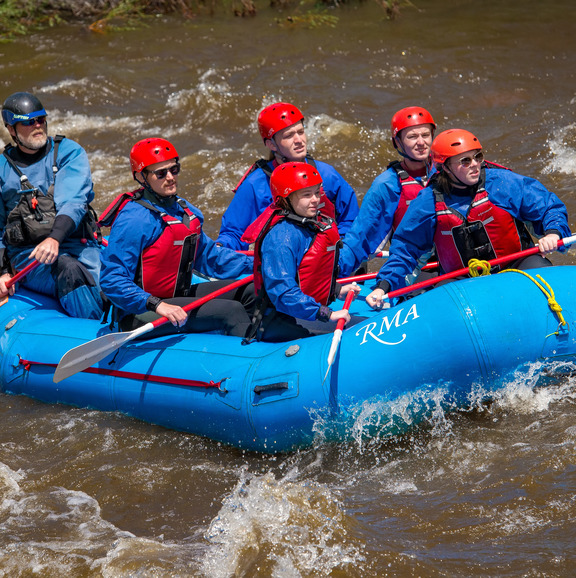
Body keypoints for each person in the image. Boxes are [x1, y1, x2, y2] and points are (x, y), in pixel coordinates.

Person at [366, 128, 571, 310]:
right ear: (445, 167)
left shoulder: (502, 184)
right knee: (430, 300)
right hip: (462, 279)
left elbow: (548, 207)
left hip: (517, 265)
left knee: (542, 271)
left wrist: (553, 232)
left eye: (477, 157)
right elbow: (406, 249)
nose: (474, 165)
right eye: (465, 161)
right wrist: (383, 286)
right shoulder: (428, 202)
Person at [99, 137, 255, 338]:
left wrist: (258, 263)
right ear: (141, 176)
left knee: (252, 290)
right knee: (230, 311)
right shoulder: (134, 220)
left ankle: (260, 341)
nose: (170, 177)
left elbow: (211, 259)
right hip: (142, 310)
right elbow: (112, 279)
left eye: (174, 169)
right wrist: (157, 304)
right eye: (160, 173)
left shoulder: (183, 211)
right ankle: (245, 359)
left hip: (177, 298)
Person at [0, 91, 102, 318]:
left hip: (78, 244)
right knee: (69, 270)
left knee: (115, 278)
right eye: (29, 122)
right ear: (10, 129)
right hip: (30, 259)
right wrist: (2, 271)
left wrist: (55, 238)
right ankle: (93, 333)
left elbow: (73, 201)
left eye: (41, 119)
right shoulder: (1, 169)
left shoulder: (68, 152)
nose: (38, 126)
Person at [241, 162, 360, 343]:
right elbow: (283, 293)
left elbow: (308, 275)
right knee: (357, 330)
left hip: (305, 310)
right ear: (284, 199)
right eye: (306, 195)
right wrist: (326, 313)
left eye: (317, 192)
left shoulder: (309, 224)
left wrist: (336, 289)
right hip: (284, 317)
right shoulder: (281, 238)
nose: (315, 200)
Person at [216, 102, 359, 251]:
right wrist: (220, 249)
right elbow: (234, 233)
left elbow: (352, 221)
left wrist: (338, 251)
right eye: (289, 136)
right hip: (279, 262)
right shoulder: (255, 185)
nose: (299, 140)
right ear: (272, 144)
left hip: (324, 260)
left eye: (301, 132)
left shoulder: (327, 175)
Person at [339, 106, 436, 276]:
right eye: (412, 137)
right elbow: (362, 236)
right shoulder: (387, 185)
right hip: (417, 265)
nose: (421, 142)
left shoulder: (451, 169)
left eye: (425, 135)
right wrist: (334, 272)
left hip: (454, 260)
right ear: (397, 142)